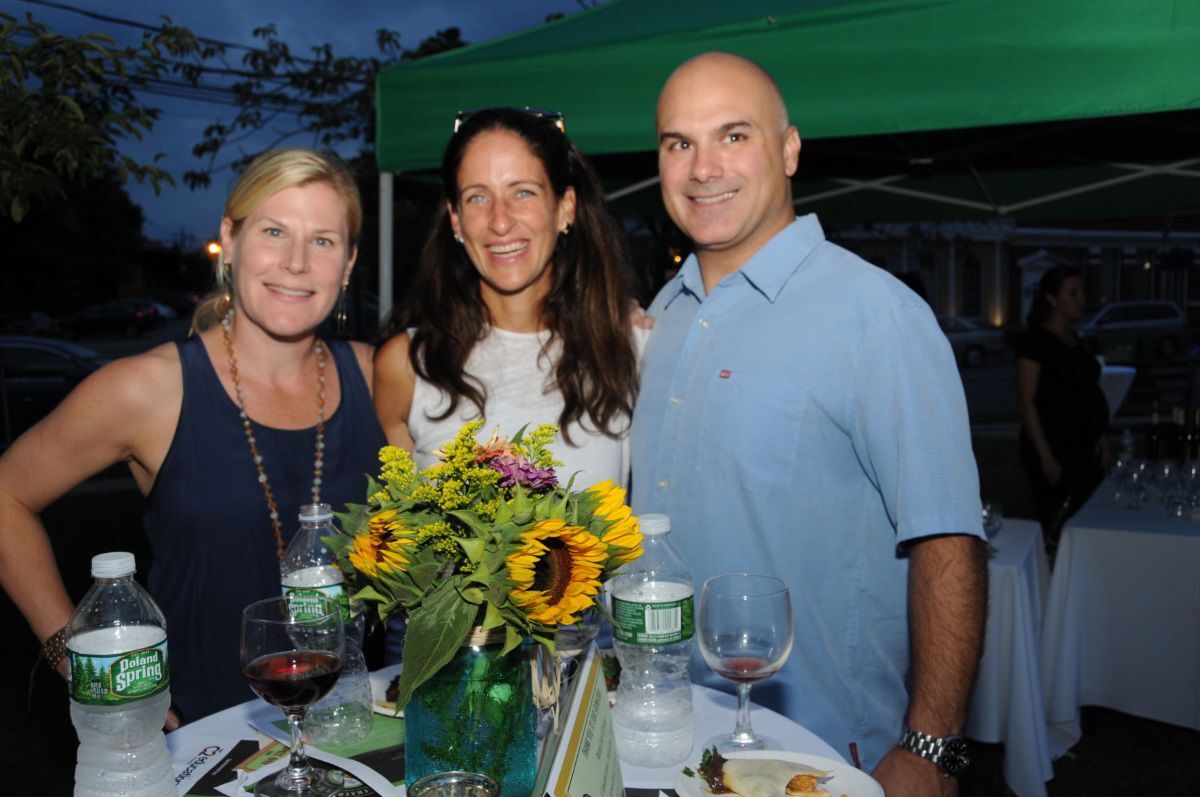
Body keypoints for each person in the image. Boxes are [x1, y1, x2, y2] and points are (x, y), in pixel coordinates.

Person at [631, 53, 987, 794]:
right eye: (678, 144)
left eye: (734, 135)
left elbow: (948, 539)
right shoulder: (661, 314)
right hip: (669, 735)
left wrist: (932, 746)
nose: (704, 168)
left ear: (789, 150)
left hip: (824, 756)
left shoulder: (876, 315)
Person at [0, 148, 386, 723]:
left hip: (357, 728)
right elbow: (7, 496)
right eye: (274, 231)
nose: (297, 262)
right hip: (199, 745)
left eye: (323, 241)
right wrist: (76, 661)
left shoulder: (381, 378)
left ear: (350, 263)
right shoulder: (148, 389)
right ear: (229, 240)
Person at [374, 107, 642, 486]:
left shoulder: (626, 348)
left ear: (565, 208)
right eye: (477, 198)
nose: (500, 221)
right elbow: (390, 528)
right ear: (455, 220)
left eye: (523, 192)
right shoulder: (406, 365)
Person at [1016, 267, 1109, 553]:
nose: (1081, 299)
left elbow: (1086, 393)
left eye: (1081, 292)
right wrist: (1045, 455)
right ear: (1052, 299)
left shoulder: (1075, 339)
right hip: (1055, 447)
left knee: (1087, 520)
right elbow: (1026, 401)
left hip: (1084, 447)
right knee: (1058, 522)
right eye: (1073, 293)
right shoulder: (1035, 342)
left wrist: (1100, 436)